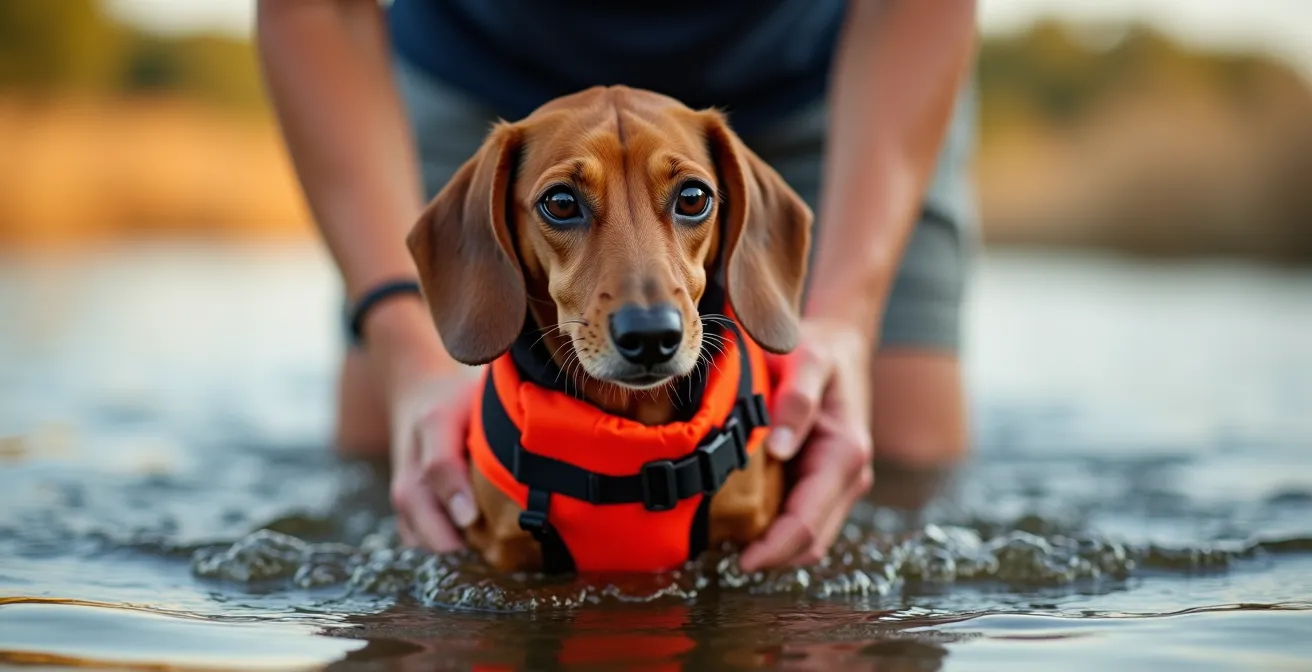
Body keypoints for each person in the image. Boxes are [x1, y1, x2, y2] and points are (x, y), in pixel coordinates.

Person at [255, 0, 978, 572]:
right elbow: (312, 8)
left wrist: (847, 319)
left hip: (834, 71)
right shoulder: (490, 194)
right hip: (465, 63)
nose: (650, 319)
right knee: (388, 471)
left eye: (689, 201)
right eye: (565, 206)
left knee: (907, 467)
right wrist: (405, 349)